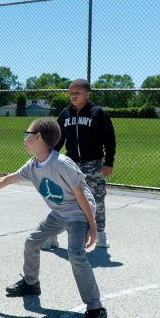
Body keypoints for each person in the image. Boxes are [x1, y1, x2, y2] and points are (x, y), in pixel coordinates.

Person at [0, 118, 108, 318]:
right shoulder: (33, 165)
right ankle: (31, 283)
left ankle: (97, 311)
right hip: (60, 213)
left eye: (26, 133)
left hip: (79, 213)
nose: (24, 138)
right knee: (32, 241)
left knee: (75, 254)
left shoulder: (61, 163)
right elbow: (6, 180)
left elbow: (81, 194)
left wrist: (93, 226)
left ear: (38, 137)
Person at [42, 78, 116, 250]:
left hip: (93, 164)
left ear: (87, 93)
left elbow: (110, 140)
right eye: (71, 93)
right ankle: (52, 235)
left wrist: (109, 162)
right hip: (71, 164)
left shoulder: (98, 113)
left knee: (97, 199)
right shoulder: (65, 114)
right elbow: (57, 139)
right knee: (63, 200)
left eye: (77, 93)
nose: (73, 96)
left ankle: (101, 234)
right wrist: (49, 157)